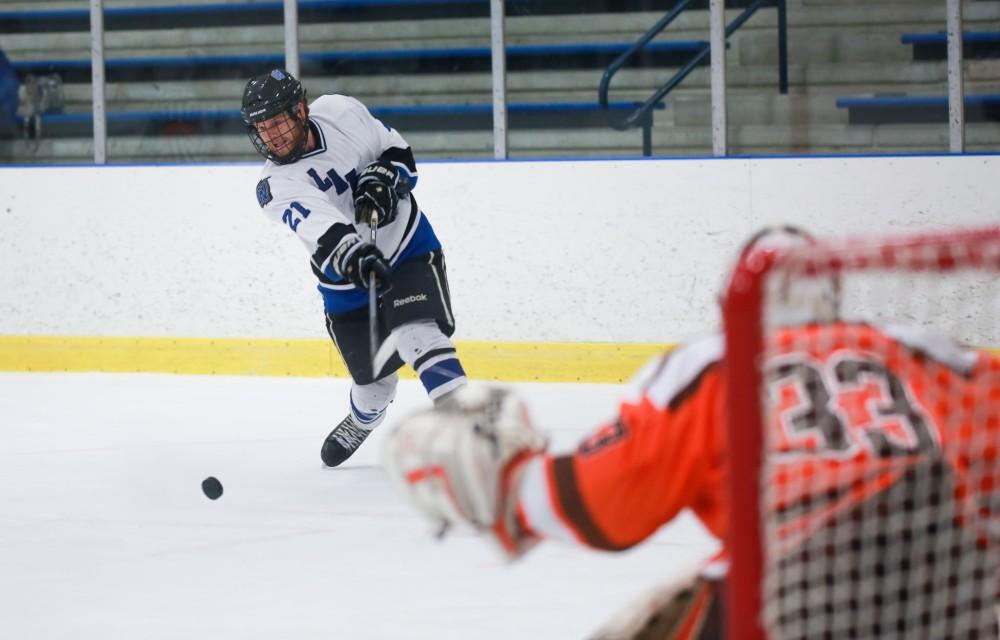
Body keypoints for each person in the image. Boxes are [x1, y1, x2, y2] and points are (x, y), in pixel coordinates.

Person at [382, 227, 1000, 639]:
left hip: (790, 605)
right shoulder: (923, 352)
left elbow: (604, 508)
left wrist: (508, 487)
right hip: (956, 600)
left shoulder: (711, 368)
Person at [241, 69, 467, 467]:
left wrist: (386, 176)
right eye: (261, 127)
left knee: (419, 333)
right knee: (375, 385)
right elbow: (326, 233)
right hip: (346, 285)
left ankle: (466, 430)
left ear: (300, 110)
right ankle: (365, 418)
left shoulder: (340, 111)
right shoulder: (274, 187)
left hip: (407, 245)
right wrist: (356, 256)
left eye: (276, 121)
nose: (270, 135)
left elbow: (399, 153)